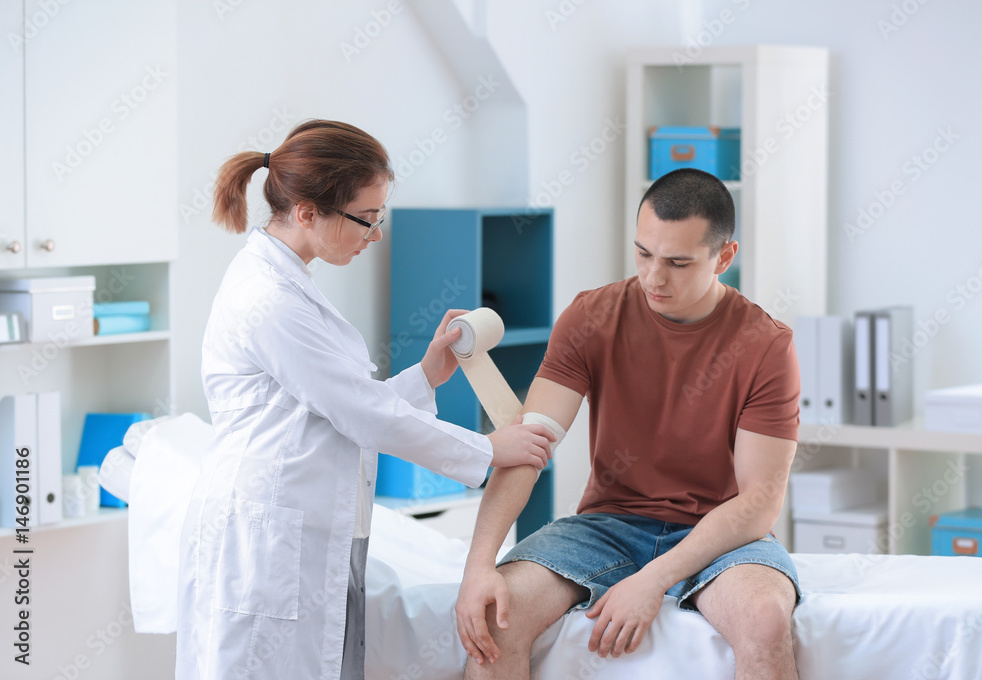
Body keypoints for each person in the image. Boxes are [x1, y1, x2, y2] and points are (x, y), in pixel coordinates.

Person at [175, 119, 555, 680]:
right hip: (269, 539)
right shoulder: (268, 300)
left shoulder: (290, 284)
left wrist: (427, 375)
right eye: (367, 220)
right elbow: (360, 414)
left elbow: (336, 405)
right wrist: (487, 449)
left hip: (316, 526)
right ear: (307, 212)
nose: (376, 236)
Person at [455, 168, 802, 679]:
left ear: (724, 258)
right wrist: (479, 566)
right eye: (644, 254)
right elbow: (528, 445)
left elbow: (759, 501)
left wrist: (652, 581)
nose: (654, 277)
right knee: (495, 616)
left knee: (766, 620)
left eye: (679, 263)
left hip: (720, 532)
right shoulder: (592, 316)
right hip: (609, 524)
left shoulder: (767, 345)